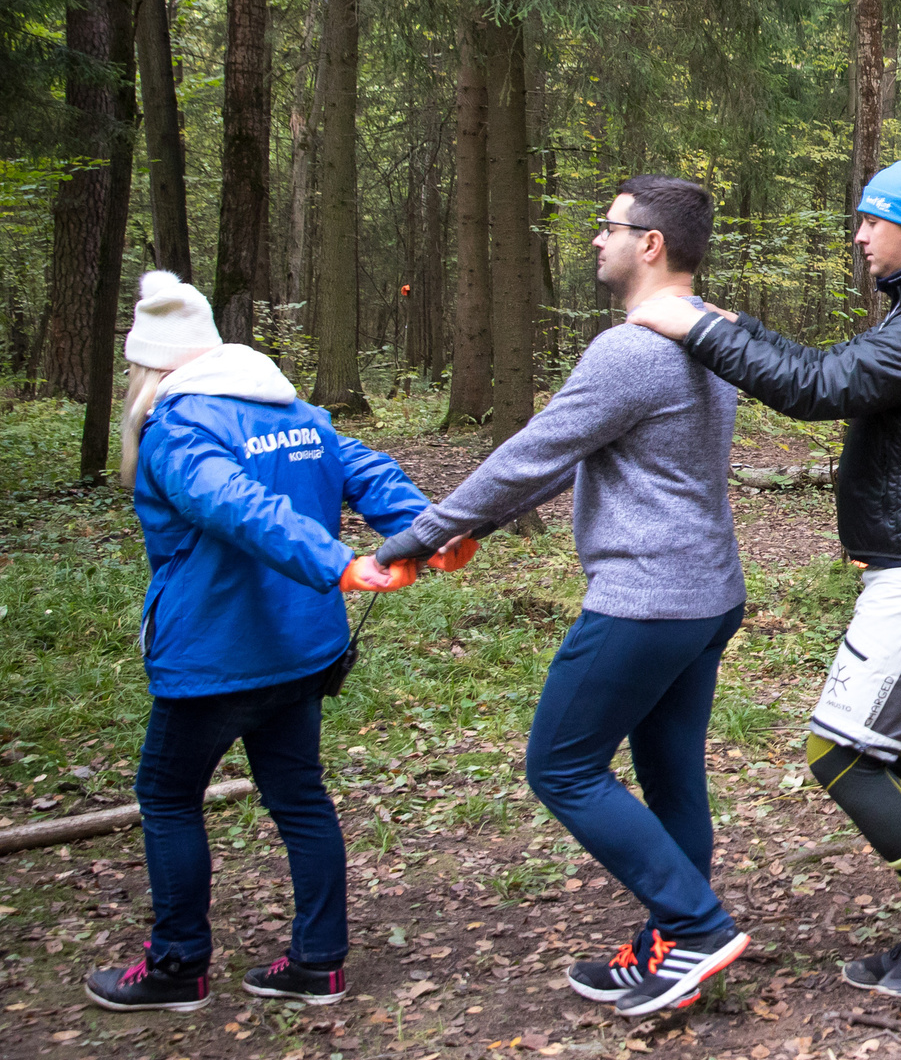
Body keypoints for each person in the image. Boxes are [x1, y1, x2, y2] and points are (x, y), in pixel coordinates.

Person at [628, 157, 901, 1000]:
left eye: (872, 221)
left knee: (838, 751)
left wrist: (697, 329)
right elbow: (826, 362)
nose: (860, 235)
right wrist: (735, 320)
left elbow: (814, 386)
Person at [380, 176, 753, 1017]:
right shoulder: (715, 337)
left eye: (610, 227)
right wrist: (480, 525)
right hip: (706, 595)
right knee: (670, 775)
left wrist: (417, 534)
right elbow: (587, 456)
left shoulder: (631, 348)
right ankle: (676, 945)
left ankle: (694, 926)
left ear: (650, 243)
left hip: (646, 598)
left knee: (560, 764)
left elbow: (533, 454)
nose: (597, 240)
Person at [87, 272, 452, 1013]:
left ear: (151, 363)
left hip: (217, 656)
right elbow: (362, 471)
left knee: (166, 795)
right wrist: (421, 529)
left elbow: (235, 502)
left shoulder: (178, 426)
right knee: (299, 796)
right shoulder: (291, 410)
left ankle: (177, 966)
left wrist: (371, 553)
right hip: (300, 647)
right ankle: (318, 962)